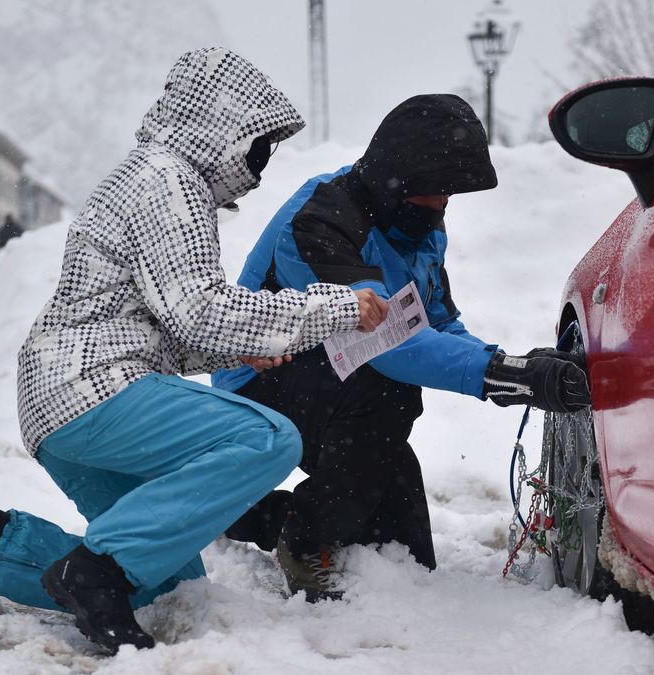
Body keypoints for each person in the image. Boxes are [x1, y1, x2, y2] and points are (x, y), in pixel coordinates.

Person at [0, 48, 389, 654]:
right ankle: (95, 573)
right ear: (226, 123)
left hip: (59, 401)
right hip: (91, 385)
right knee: (267, 439)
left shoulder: (152, 177)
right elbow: (201, 312)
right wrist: (337, 309)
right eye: (261, 143)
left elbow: (160, 324)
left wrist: (234, 351)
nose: (263, 162)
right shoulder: (170, 182)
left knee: (163, 579)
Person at [213, 94, 591, 601]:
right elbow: (385, 342)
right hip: (260, 391)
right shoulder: (319, 222)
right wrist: (503, 375)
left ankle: (243, 514)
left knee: (405, 549)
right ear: (399, 179)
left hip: (335, 387)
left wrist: (514, 364)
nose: (442, 205)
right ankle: (302, 539)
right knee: (387, 395)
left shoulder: (419, 223)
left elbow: (439, 323)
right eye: (434, 193)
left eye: (449, 195)